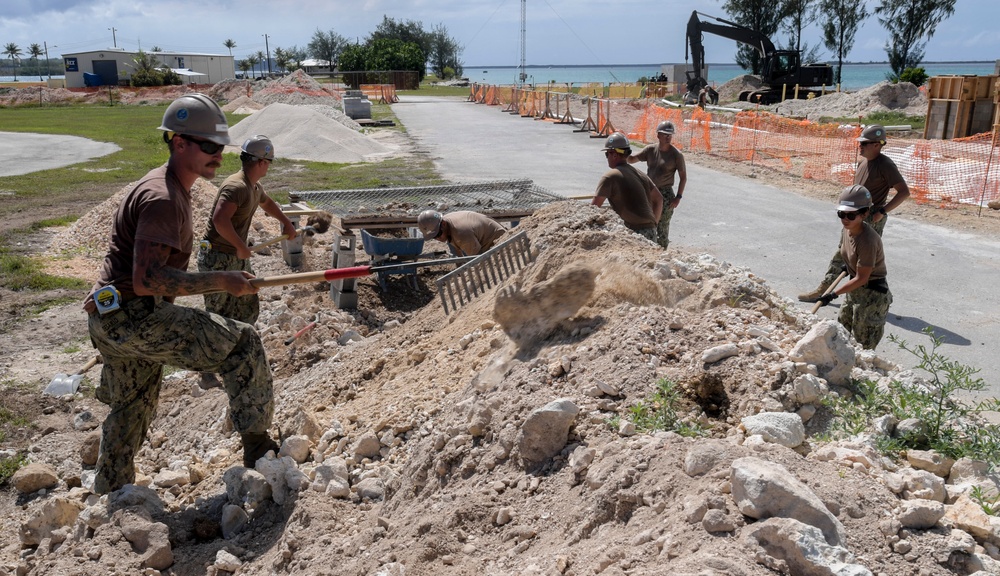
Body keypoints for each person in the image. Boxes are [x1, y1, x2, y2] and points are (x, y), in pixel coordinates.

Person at [82, 93, 279, 494]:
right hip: (137, 316)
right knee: (243, 343)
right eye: (208, 147)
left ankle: (111, 489)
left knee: (133, 403)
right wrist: (222, 281)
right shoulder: (163, 197)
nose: (218, 156)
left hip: (112, 317)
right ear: (178, 142)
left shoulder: (167, 186)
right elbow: (148, 279)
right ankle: (260, 452)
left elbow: (138, 273)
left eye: (220, 147)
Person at [799, 124, 909, 302]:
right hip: (854, 213)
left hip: (870, 215)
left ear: (877, 144)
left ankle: (862, 296)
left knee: (865, 259)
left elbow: (904, 192)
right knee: (845, 253)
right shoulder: (863, 162)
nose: (861, 146)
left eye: (865, 143)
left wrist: (882, 211)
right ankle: (828, 290)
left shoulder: (885, 165)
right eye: (861, 143)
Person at [198, 135, 296, 324]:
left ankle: (241, 346)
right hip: (217, 258)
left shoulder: (253, 186)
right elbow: (220, 220)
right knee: (219, 315)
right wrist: (240, 246)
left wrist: (286, 222)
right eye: (268, 162)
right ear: (260, 162)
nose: (269, 166)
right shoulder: (237, 187)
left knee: (246, 306)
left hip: (234, 256)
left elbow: (266, 202)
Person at [815, 185, 892, 349]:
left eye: (850, 215)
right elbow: (850, 255)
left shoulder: (868, 240)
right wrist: (848, 265)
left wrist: (832, 295)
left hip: (872, 296)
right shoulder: (847, 229)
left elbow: (862, 277)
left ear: (865, 213)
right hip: (854, 291)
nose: (845, 219)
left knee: (862, 346)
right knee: (840, 334)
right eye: (841, 214)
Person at [591, 132, 662, 242]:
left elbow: (593, 209)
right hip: (651, 232)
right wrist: (653, 225)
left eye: (607, 154)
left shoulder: (610, 176)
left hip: (634, 233)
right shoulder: (640, 173)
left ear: (614, 154)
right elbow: (659, 199)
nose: (607, 157)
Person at [628, 120, 687, 248]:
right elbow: (632, 159)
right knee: (648, 222)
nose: (668, 137)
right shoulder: (650, 150)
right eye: (665, 134)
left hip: (666, 194)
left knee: (662, 226)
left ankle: (662, 252)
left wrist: (678, 197)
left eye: (670, 135)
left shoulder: (676, 155)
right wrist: (622, 152)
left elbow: (683, 177)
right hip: (650, 192)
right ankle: (649, 249)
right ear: (658, 135)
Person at [417, 209, 506, 256]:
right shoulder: (446, 222)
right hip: (485, 238)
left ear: (443, 224)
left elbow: (477, 260)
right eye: (433, 237)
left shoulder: (462, 234)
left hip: (501, 243)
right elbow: (453, 244)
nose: (438, 239)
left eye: (438, 234)